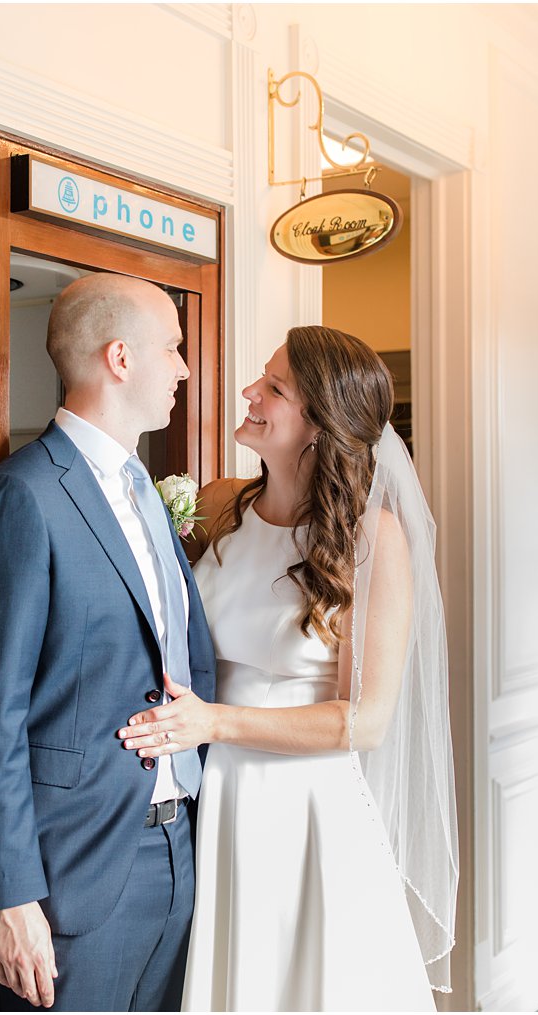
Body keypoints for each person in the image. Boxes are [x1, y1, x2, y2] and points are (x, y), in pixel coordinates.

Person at [115, 325, 458, 1011]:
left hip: (304, 812)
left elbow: (365, 720)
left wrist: (214, 720)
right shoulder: (215, 506)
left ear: (318, 423)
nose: (250, 391)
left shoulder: (372, 537)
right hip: (208, 799)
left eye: (274, 387)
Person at [0, 273, 217, 1011]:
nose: (184, 368)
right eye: (174, 348)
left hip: (179, 850)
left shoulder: (146, 492)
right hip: (73, 872)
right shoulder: (22, 497)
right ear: (121, 358)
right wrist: (12, 896)